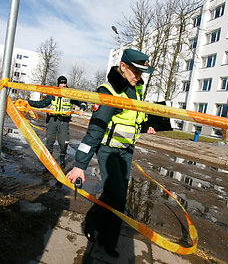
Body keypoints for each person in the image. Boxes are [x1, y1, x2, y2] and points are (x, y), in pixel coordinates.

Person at [66, 49, 156, 257]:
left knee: (119, 197)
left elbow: (132, 120)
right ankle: (92, 221)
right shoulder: (109, 91)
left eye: (142, 73)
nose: (139, 76)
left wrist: (146, 126)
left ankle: (109, 242)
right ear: (123, 67)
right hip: (109, 151)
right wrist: (80, 164)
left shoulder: (137, 89)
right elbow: (95, 130)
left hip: (126, 150)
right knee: (115, 195)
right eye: (135, 71)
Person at [27, 75, 87, 169]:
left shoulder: (70, 93)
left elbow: (82, 102)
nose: (63, 85)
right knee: (49, 141)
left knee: (63, 143)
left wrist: (82, 108)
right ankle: (48, 161)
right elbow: (42, 103)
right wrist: (29, 103)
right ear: (58, 84)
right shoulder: (52, 93)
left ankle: (62, 156)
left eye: (64, 83)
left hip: (64, 122)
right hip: (53, 120)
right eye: (61, 83)